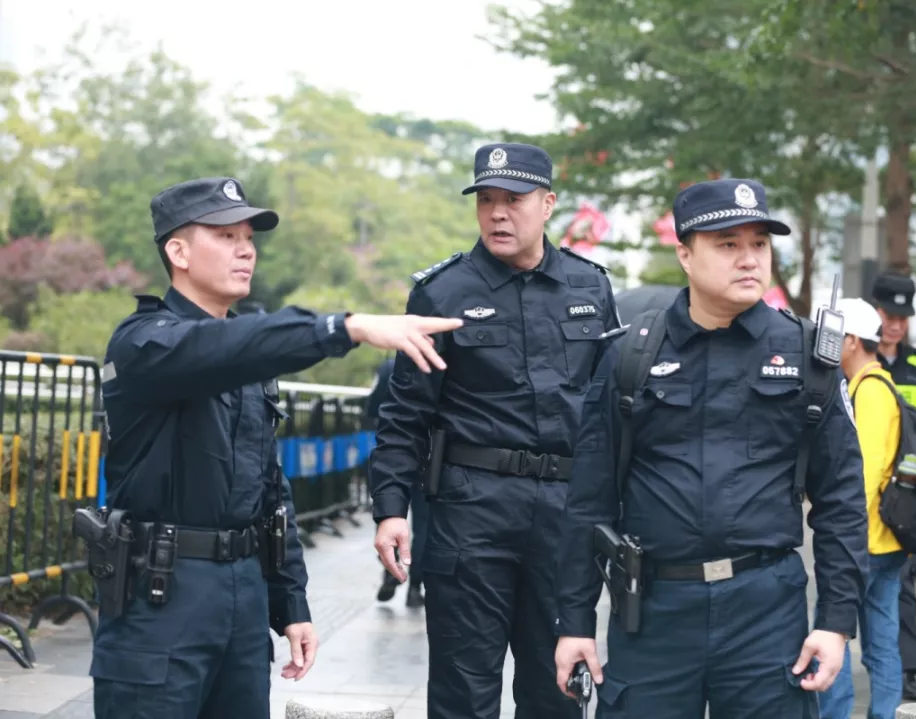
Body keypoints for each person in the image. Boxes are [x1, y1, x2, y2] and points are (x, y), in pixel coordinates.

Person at [90, 176, 462, 719]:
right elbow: (216, 348)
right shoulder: (146, 341)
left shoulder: (248, 357)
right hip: (160, 594)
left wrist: (290, 602)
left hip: (242, 597)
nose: (246, 249)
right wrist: (347, 327)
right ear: (178, 252)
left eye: (249, 237)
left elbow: (269, 489)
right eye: (225, 236)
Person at [553, 178, 870, 718]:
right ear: (685, 254)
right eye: (727, 244)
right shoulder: (632, 355)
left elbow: (841, 498)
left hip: (766, 614)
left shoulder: (806, 355)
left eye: (759, 244)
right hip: (653, 612)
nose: (749, 259)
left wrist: (836, 621)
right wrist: (575, 622)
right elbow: (590, 497)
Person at [368, 143, 621, 719]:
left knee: (557, 691)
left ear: (548, 204)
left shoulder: (589, 288)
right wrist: (390, 509)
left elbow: (612, 413)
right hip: (471, 512)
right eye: (486, 200)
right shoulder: (442, 292)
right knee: (463, 692)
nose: (498, 213)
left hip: (564, 514)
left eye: (514, 200)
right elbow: (406, 413)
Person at [818, 297, 908, 719]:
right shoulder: (876, 385)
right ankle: (885, 714)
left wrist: (847, 536)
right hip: (885, 541)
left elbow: (864, 475)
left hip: (865, 540)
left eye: (834, 338)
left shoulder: (869, 392)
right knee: (881, 642)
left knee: (833, 633)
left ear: (852, 341)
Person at [870, 269, 916, 702]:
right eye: (889, 316)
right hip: (864, 487)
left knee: (903, 580)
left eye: (902, 318)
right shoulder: (857, 358)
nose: (895, 325)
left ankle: (907, 670)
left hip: (905, 491)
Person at [369, 357, 428, 608]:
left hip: (395, 452)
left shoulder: (388, 366)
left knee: (390, 513)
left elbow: (372, 407)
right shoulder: (439, 359)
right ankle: (415, 587)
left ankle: (390, 571)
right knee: (424, 527)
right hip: (431, 455)